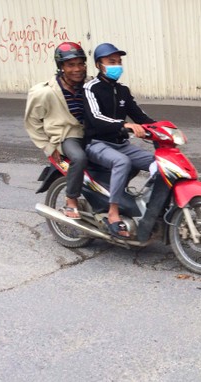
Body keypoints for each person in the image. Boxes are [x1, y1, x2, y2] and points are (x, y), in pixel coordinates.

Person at [82, 43, 155, 239]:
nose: (117, 66)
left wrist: (164, 128)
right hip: (97, 143)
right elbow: (96, 118)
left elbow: (140, 117)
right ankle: (113, 213)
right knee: (122, 162)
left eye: (119, 62)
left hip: (121, 144)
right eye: (111, 62)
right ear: (99, 65)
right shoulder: (90, 88)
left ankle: (149, 208)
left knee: (159, 164)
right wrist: (124, 125)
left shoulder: (122, 91)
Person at [25, 41, 88, 219]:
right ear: (61, 67)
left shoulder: (90, 86)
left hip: (90, 134)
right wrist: (48, 148)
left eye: (80, 64)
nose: (77, 69)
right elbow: (32, 122)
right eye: (71, 65)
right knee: (79, 158)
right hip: (66, 137)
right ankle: (71, 201)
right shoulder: (44, 92)